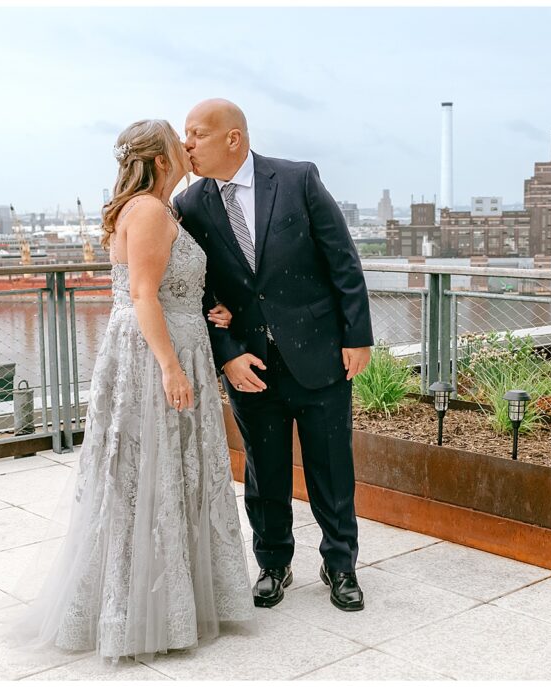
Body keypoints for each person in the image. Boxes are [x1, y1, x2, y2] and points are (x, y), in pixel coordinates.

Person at [8, 119, 255, 663]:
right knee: (150, 474)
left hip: (176, 339)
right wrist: (170, 366)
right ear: (161, 157)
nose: (188, 146)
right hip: (153, 356)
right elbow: (143, 294)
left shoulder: (161, 208)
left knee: (168, 471)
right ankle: (143, 609)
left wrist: (202, 309)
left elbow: (168, 288)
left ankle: (175, 599)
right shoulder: (146, 209)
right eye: (179, 139)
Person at [175, 99, 373, 612]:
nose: (187, 145)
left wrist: (358, 338)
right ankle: (273, 564)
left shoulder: (298, 179)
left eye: (196, 134)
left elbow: (343, 262)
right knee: (264, 472)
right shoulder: (191, 205)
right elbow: (194, 293)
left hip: (321, 355)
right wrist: (227, 355)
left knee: (331, 467)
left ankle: (341, 566)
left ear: (232, 139)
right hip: (250, 364)